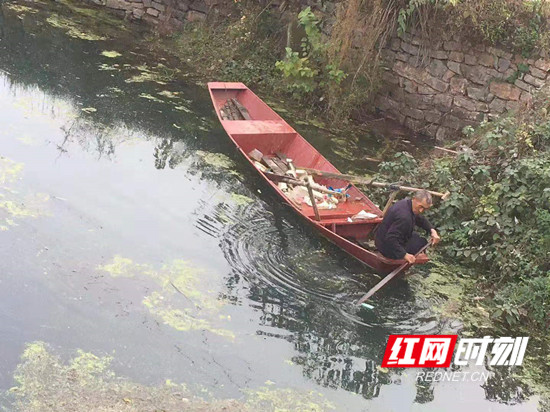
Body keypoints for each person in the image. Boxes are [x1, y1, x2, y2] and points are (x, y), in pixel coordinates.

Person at [375, 190, 441, 263]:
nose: (421, 210)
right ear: (414, 199)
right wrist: (404, 255)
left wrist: (432, 231)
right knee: (422, 243)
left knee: (417, 237)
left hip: (382, 237)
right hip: (386, 247)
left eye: (425, 209)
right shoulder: (404, 218)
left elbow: (420, 219)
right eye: (420, 207)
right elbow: (391, 239)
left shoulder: (407, 204)